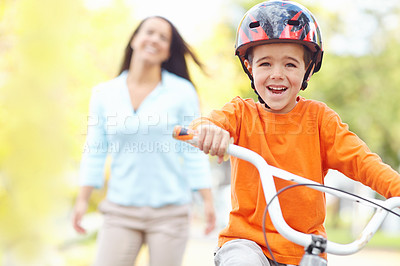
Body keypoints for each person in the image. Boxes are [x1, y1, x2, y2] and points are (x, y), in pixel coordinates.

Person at [187, 1, 400, 265]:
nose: (277, 74)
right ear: (250, 68)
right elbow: (205, 125)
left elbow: (363, 162)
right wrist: (209, 132)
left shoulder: (320, 120)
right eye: (265, 64)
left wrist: (396, 189)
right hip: (246, 243)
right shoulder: (241, 113)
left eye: (290, 65)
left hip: (305, 247)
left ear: (307, 69)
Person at [72, 16, 216, 266]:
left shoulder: (181, 93)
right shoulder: (104, 94)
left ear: (168, 51)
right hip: (120, 211)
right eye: (150, 32)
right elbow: (95, 149)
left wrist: (208, 200)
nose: (155, 40)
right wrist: (82, 200)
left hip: (170, 213)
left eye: (163, 38)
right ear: (135, 39)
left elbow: (192, 150)